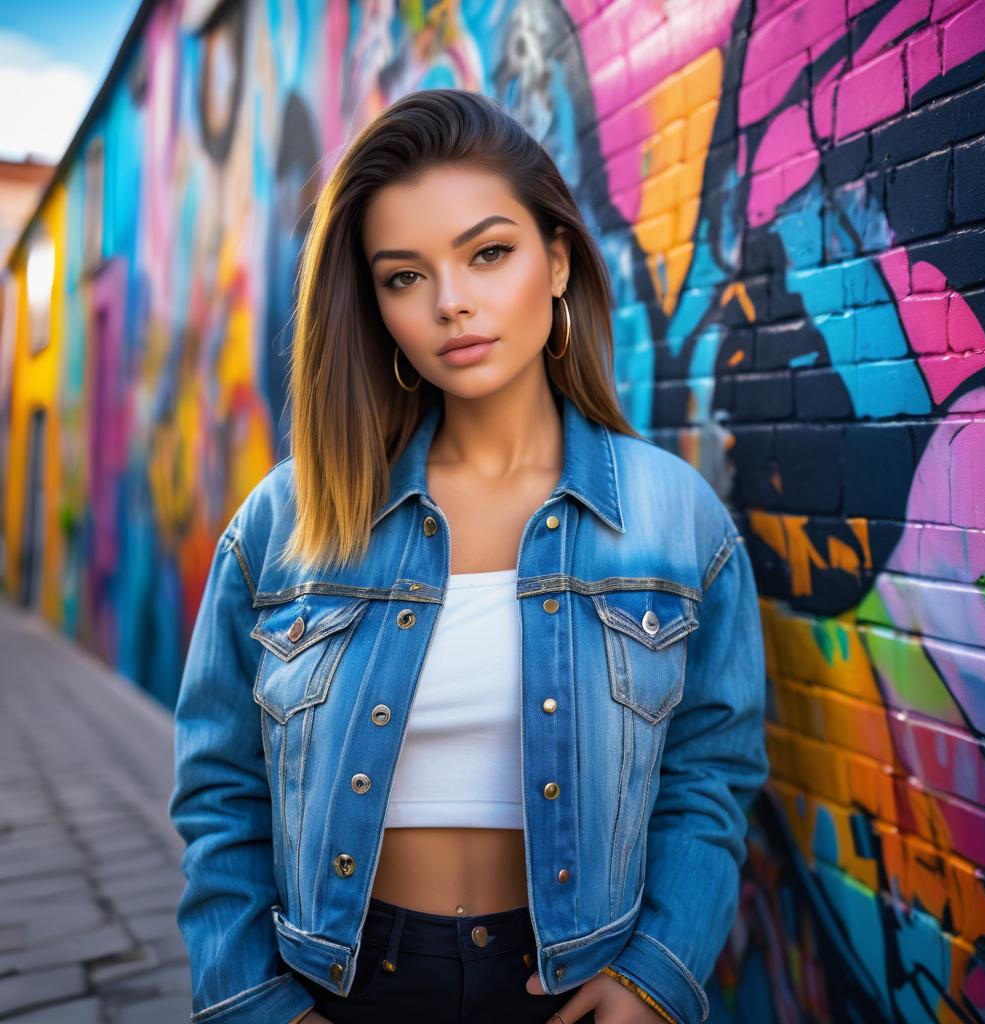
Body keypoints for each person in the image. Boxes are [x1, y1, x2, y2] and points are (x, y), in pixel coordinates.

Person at [169, 88, 768, 1024]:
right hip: (342, 988)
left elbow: (710, 773)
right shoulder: (289, 519)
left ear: (558, 259)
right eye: (403, 276)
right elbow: (220, 789)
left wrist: (656, 976)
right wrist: (254, 1002)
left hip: (572, 987)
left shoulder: (671, 517)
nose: (452, 303)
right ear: (374, 304)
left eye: (489, 253)